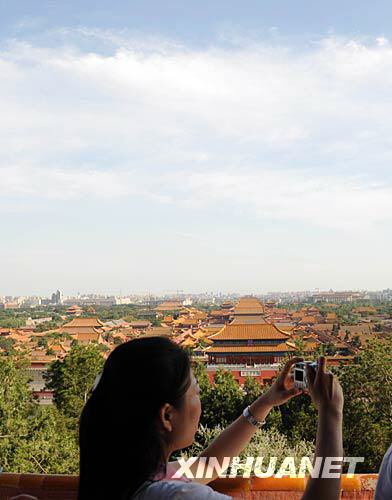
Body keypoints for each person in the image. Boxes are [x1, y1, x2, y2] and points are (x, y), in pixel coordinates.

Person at [78, 337, 343, 500]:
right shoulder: (178, 496)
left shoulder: (123, 479)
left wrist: (266, 402)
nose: (200, 397)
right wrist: (331, 414)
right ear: (167, 415)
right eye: (196, 391)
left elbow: (209, 465)